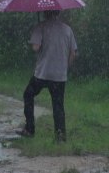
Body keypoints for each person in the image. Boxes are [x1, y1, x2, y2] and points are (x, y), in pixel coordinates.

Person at [16, 9, 77, 142]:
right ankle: (60, 136)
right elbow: (73, 53)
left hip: (42, 74)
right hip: (59, 75)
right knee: (58, 105)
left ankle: (29, 129)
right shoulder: (67, 29)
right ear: (58, 13)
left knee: (28, 94)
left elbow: (36, 48)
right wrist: (65, 67)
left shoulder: (41, 26)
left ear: (45, 13)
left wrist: (36, 38)